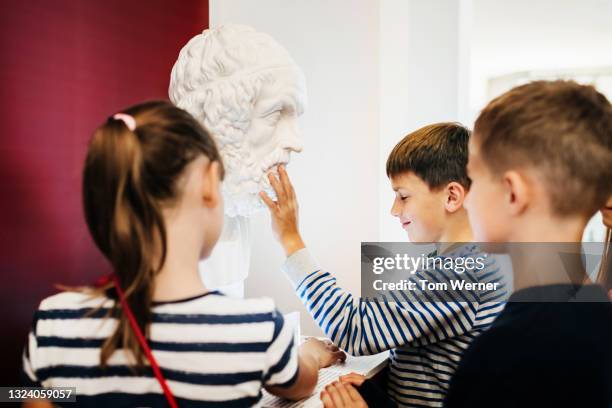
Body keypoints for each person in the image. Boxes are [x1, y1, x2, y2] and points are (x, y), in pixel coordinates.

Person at [21, 101, 344, 407]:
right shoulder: (253, 328)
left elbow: (23, 397)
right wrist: (312, 354)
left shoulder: (54, 321)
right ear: (207, 183)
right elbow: (300, 383)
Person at [261, 123, 507, 407]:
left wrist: (291, 240)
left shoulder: (464, 271)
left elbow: (355, 328)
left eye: (403, 196)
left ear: (452, 196)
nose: (394, 209)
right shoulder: (467, 260)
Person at [444, 80, 612, 407]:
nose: (467, 201)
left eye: (473, 180)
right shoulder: (600, 317)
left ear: (512, 193)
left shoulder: (498, 358)